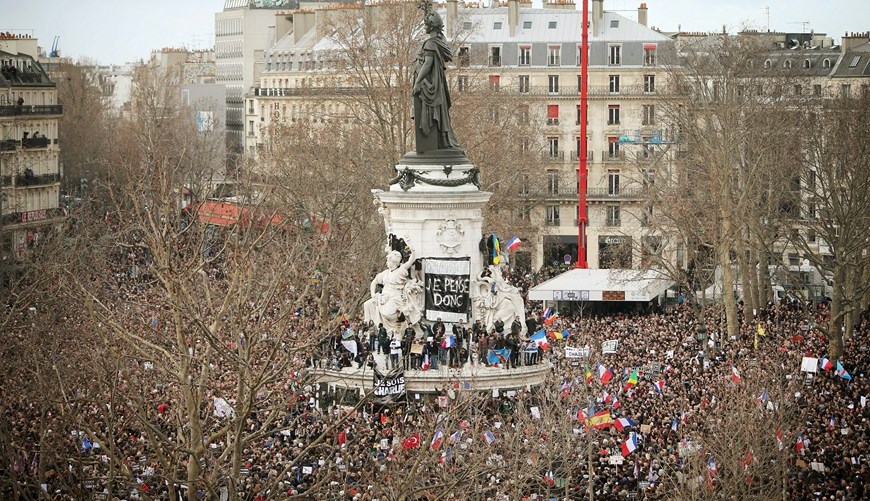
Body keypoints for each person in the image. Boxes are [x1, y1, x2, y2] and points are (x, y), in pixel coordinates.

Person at [412, 7, 461, 154]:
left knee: (432, 113)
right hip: (435, 83)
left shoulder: (431, 43)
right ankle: (442, 139)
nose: (424, 28)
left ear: (431, 26)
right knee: (439, 112)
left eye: (426, 25)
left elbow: (427, 64)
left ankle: (439, 141)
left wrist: (417, 82)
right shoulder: (440, 40)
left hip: (429, 85)